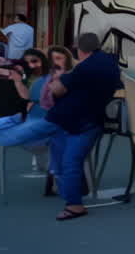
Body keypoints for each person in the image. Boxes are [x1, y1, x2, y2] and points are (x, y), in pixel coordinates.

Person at [46, 32, 121, 221]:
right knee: (66, 155)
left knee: (69, 160)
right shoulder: (109, 63)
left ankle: (74, 204)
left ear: (79, 49)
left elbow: (58, 90)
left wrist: (57, 78)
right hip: (87, 118)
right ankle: (75, 190)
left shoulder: (84, 69)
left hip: (79, 121)